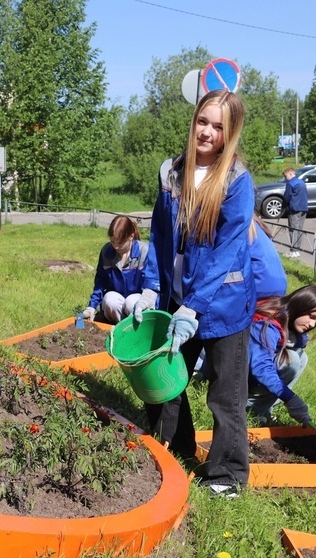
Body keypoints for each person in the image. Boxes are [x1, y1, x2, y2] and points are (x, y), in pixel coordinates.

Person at [132, 90, 256, 498]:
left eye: (218, 126)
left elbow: (228, 252)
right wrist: (151, 288)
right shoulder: (173, 171)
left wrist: (194, 307)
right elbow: (160, 233)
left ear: (229, 133)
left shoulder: (237, 181)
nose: (207, 131)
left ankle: (227, 475)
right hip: (174, 298)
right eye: (203, 121)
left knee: (225, 393)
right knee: (163, 379)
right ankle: (174, 449)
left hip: (223, 304)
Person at [193, 213, 287, 376]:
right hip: (276, 294)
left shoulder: (231, 223)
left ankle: (206, 368)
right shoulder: (256, 225)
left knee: (206, 317)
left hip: (255, 294)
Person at [247, 285, 316, 426]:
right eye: (311, 317)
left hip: (248, 370)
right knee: (290, 361)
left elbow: (300, 340)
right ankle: (249, 408)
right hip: (232, 374)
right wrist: (289, 398)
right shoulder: (268, 324)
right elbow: (260, 367)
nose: (312, 324)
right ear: (300, 306)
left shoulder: (287, 316)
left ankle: (265, 408)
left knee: (302, 357)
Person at [82, 215, 148, 324]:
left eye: (120, 242)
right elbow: (100, 282)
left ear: (131, 236)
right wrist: (91, 306)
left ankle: (138, 331)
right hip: (117, 301)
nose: (116, 247)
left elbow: (150, 287)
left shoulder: (144, 252)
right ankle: (121, 329)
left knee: (131, 302)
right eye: (112, 241)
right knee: (109, 300)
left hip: (137, 300)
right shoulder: (106, 252)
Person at [282, 167, 308, 258]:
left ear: (290, 174)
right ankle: (298, 250)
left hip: (294, 209)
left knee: (293, 229)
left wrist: (283, 207)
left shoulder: (290, 184)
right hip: (304, 208)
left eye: (286, 176)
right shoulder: (302, 182)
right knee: (299, 229)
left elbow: (287, 197)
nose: (286, 178)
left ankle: (293, 250)